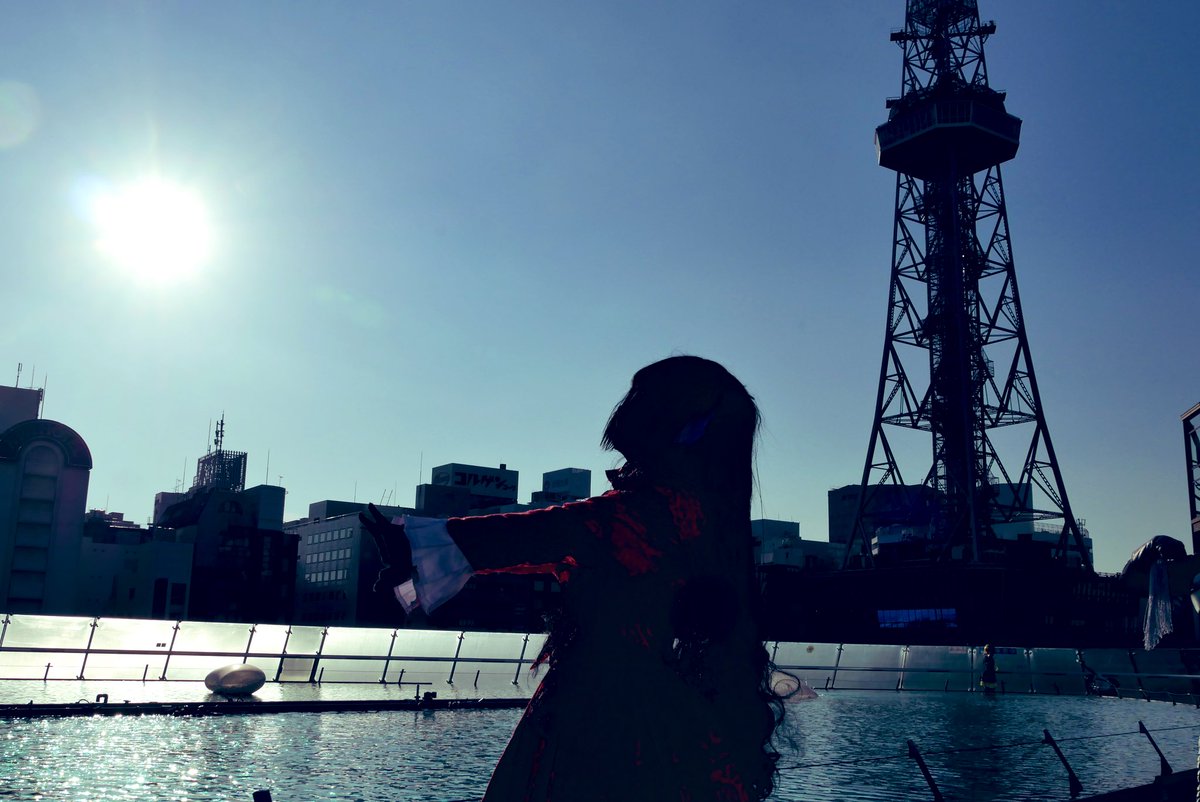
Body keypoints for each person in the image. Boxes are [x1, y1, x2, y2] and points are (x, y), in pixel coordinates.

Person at [361, 355, 785, 802]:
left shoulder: (631, 515)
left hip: (596, 708)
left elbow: (533, 536)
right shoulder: (710, 523)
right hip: (671, 706)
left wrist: (413, 541)